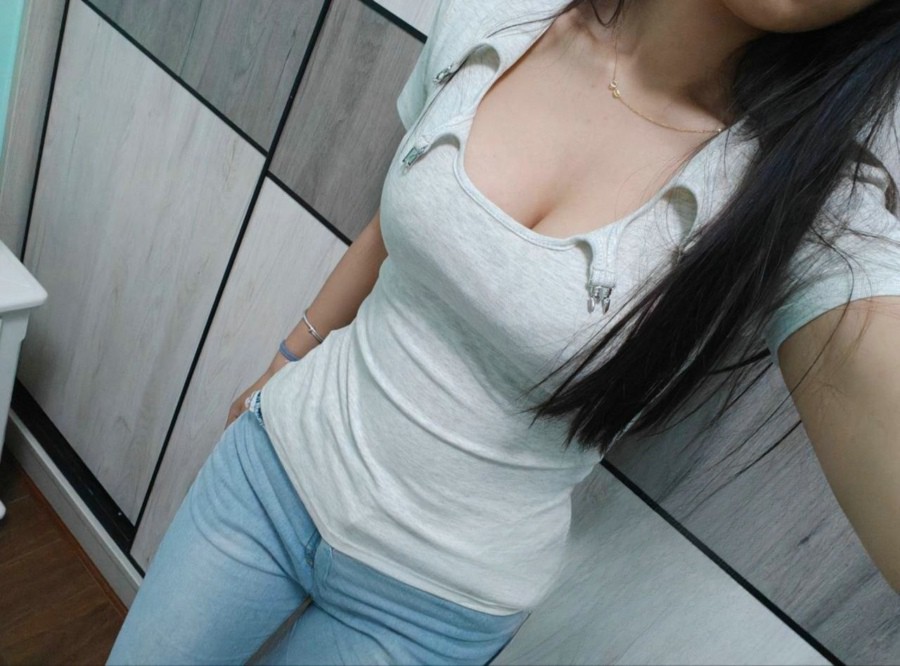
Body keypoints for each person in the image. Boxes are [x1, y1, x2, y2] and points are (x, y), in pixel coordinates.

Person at [107, 0, 900, 663]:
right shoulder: (500, 13)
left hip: (429, 607)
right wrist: (288, 355)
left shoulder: (818, 206)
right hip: (270, 470)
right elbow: (403, 220)